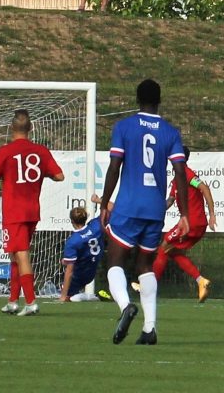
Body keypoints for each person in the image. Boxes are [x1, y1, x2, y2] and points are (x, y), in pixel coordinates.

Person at [100, 79, 189, 345]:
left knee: (115, 261)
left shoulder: (124, 127)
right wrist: (184, 213)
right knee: (145, 265)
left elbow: (115, 167)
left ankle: (126, 306)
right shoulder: (170, 132)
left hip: (129, 205)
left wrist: (105, 203)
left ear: (137, 99)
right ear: (159, 100)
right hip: (155, 208)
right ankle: (149, 329)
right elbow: (180, 173)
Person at [0, 109, 64, 316]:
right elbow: (59, 176)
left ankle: (31, 301)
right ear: (31, 128)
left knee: (21, 254)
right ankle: (12, 301)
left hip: (14, 211)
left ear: (11, 128)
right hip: (32, 210)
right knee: (15, 255)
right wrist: (42, 175)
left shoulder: (5, 151)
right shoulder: (41, 151)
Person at [140, 146, 216, 302]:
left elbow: (205, 188)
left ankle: (148, 287)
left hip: (192, 223)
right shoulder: (177, 180)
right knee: (171, 252)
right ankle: (201, 281)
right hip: (193, 224)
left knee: (163, 247)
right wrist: (153, 210)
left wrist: (212, 214)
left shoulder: (187, 174)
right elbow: (170, 201)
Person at [59, 203, 105, 303]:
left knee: (68, 297)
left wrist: (63, 295)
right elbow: (110, 208)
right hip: (93, 270)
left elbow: (69, 271)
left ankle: (92, 297)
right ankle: (91, 296)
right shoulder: (96, 226)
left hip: (80, 275)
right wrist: (98, 200)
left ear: (72, 221)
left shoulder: (73, 241)